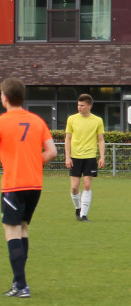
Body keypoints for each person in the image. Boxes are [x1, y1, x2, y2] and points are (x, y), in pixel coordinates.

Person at [0, 77, 58, 298]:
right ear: (22, 97)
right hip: (35, 185)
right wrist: (34, 162)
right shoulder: (37, 121)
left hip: (13, 184)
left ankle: (21, 285)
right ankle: (19, 282)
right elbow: (52, 152)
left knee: (12, 231)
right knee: (22, 229)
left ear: (4, 98)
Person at [64, 94, 105, 222]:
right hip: (75, 158)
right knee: (75, 187)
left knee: (87, 185)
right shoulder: (71, 119)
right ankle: (78, 208)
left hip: (90, 157)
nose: (79, 107)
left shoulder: (98, 120)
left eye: (82, 105)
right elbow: (68, 139)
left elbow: (100, 139)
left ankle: (83, 215)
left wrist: (102, 157)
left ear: (89, 106)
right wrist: (67, 157)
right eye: (78, 105)